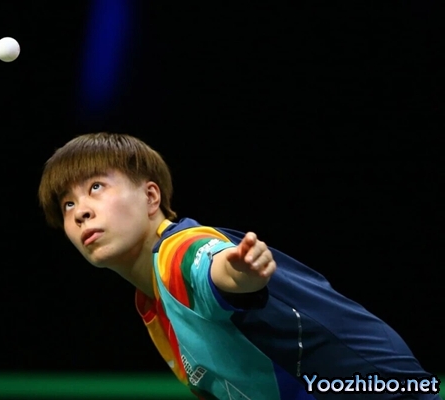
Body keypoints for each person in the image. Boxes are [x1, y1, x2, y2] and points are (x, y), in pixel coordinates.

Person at [37, 132, 440, 400]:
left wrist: (238, 273)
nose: (80, 212)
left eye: (95, 187)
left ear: (151, 197)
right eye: (67, 204)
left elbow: (210, 268)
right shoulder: (151, 303)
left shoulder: (179, 250)